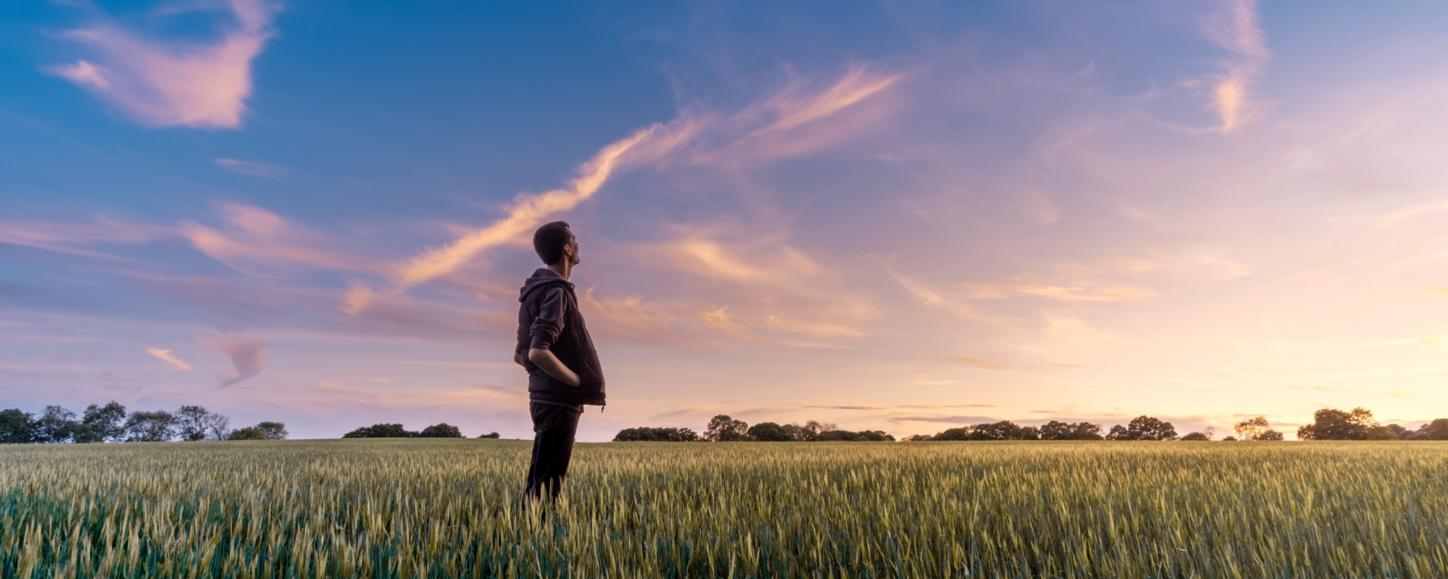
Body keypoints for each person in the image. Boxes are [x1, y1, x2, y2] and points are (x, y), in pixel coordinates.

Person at [515, 221, 606, 505]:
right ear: (567, 249)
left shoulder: (534, 292)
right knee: (548, 487)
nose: (578, 245)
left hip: (543, 397)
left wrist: (543, 381)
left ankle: (528, 536)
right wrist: (575, 381)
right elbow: (536, 352)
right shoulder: (556, 291)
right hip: (558, 400)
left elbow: (520, 354)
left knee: (541, 480)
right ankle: (534, 542)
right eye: (575, 240)